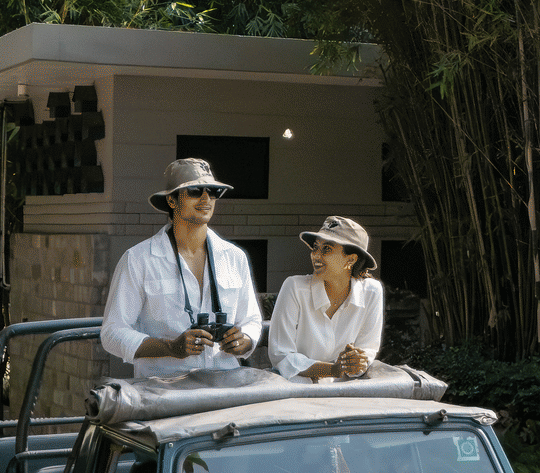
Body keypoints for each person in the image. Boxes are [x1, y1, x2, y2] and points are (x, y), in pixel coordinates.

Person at [100, 158, 263, 377]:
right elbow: (112, 332)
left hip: (225, 384)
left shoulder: (235, 257)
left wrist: (244, 341)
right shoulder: (138, 259)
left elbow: (252, 320)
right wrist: (171, 348)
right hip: (164, 388)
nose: (206, 198)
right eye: (195, 191)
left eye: (213, 191)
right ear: (171, 200)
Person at [267, 215, 384, 381]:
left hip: (347, 391)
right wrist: (332, 370)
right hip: (295, 390)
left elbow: (367, 348)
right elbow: (280, 355)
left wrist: (358, 361)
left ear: (351, 259)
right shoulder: (294, 287)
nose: (316, 255)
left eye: (327, 249)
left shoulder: (372, 292)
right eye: (315, 248)